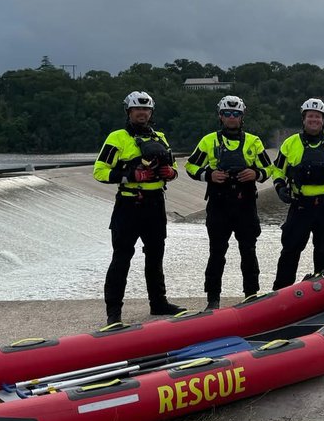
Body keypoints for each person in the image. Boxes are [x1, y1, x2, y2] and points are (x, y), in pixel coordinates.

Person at [92, 91, 183, 325]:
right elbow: (99, 171)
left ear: (151, 112)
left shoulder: (160, 137)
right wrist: (130, 174)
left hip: (155, 204)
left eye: (146, 110)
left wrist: (170, 173)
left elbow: (173, 168)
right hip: (129, 204)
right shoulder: (117, 138)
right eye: (137, 109)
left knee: (155, 256)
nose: (142, 113)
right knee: (121, 257)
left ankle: (158, 303)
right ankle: (114, 313)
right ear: (129, 112)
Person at [184, 95, 273, 310]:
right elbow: (190, 166)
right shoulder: (208, 141)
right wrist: (209, 175)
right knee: (216, 252)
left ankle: (251, 295)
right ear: (220, 116)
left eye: (236, 114)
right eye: (227, 114)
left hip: (245, 204)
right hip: (219, 204)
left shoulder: (254, 141)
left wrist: (256, 173)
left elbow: (269, 169)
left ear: (242, 117)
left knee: (248, 251)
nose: (231, 118)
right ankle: (213, 299)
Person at [270, 98, 324, 289]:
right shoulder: (290, 144)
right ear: (304, 119)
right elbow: (278, 170)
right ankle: (280, 291)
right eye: (310, 116)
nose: (314, 120)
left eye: (317, 117)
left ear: (323, 120)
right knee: (290, 249)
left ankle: (323, 291)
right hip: (300, 205)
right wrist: (280, 188)